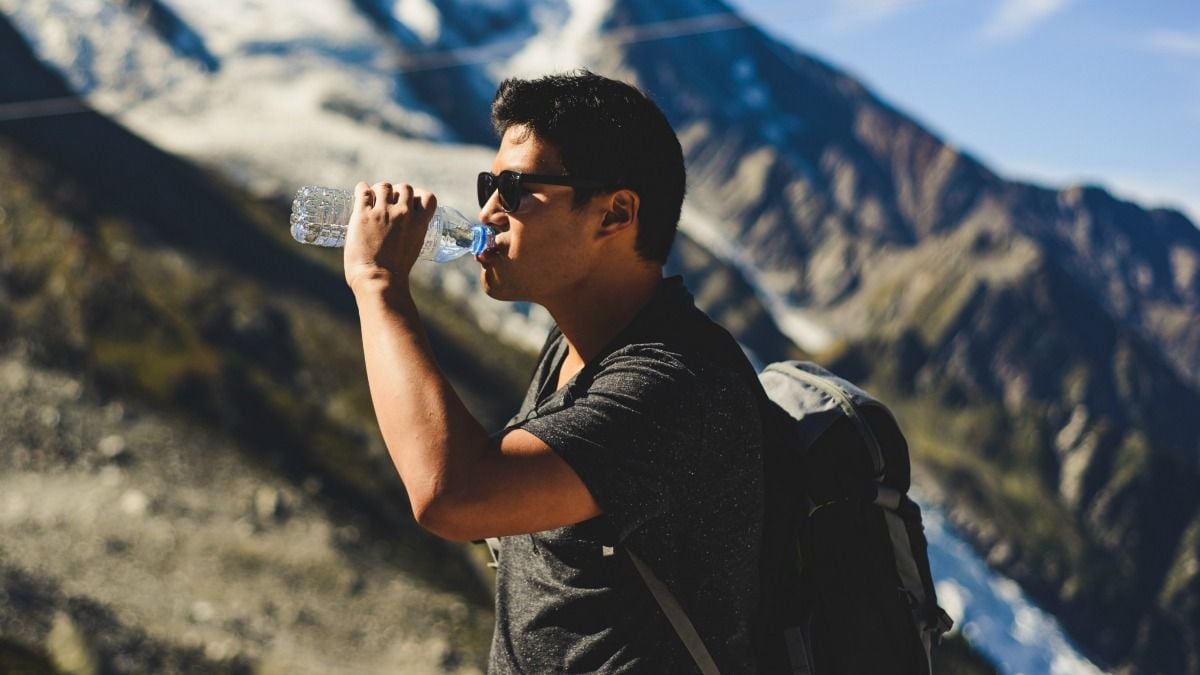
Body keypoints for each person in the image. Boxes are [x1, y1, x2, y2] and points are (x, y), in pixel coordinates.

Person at [344, 70, 766, 673]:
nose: (488, 210)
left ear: (615, 214)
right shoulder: (579, 343)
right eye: (490, 183)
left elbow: (453, 494)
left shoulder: (673, 384)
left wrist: (378, 284)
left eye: (514, 189)